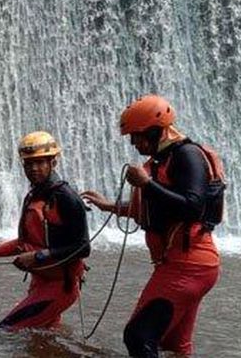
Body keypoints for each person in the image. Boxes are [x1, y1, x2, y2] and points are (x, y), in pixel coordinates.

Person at [81, 95, 223, 357]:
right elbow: (157, 209)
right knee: (173, 346)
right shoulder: (163, 160)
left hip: (187, 265)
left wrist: (146, 184)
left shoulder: (187, 155)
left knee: (137, 336)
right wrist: (110, 206)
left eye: (137, 136)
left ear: (156, 131)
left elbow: (193, 206)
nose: (134, 143)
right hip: (189, 264)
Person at [0, 131, 90, 331]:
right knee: (41, 338)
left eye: (40, 163)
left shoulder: (67, 198)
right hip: (41, 281)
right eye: (28, 164)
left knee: (7, 329)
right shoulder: (33, 196)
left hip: (59, 286)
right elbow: (23, 242)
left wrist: (38, 257)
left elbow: (83, 248)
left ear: (53, 162)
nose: (33, 169)